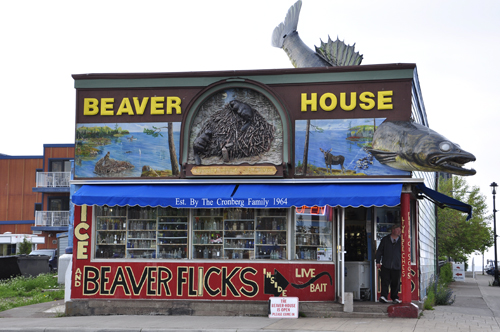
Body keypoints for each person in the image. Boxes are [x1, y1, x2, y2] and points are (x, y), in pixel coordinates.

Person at [375, 223, 402, 304]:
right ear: (393, 230)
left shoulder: (401, 241)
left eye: (400, 230)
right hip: (386, 264)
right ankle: (383, 296)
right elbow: (379, 251)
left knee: (395, 282)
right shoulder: (385, 240)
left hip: (397, 265)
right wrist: (378, 261)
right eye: (397, 230)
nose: (399, 232)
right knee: (384, 281)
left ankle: (395, 297)